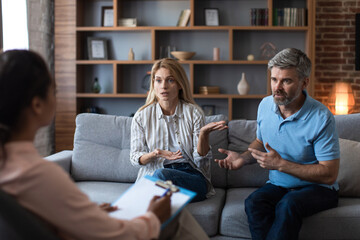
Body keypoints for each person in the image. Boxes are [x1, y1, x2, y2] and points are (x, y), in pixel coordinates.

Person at [0, 50, 209, 240]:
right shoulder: (42, 176)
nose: (163, 86)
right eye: (54, 91)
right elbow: (118, 235)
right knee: (176, 219)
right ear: (37, 105)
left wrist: (93, 214)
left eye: (170, 80)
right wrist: (154, 217)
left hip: (187, 175)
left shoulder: (12, 171)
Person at [215, 48, 340, 240]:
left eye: (286, 81)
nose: (277, 87)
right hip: (279, 185)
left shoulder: (321, 117)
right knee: (254, 202)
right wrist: (243, 157)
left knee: (289, 204)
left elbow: (329, 175)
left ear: (304, 82)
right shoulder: (265, 105)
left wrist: (281, 164)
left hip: (319, 189)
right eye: (274, 79)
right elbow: (260, 142)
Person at [130, 58, 227, 202]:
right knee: (159, 177)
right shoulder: (141, 116)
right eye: (158, 80)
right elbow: (135, 157)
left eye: (170, 80)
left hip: (190, 177)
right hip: (156, 174)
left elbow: (201, 162)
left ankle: (151, 199)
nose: (163, 86)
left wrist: (203, 135)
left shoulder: (194, 113)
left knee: (160, 178)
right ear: (153, 84)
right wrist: (155, 154)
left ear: (180, 84)